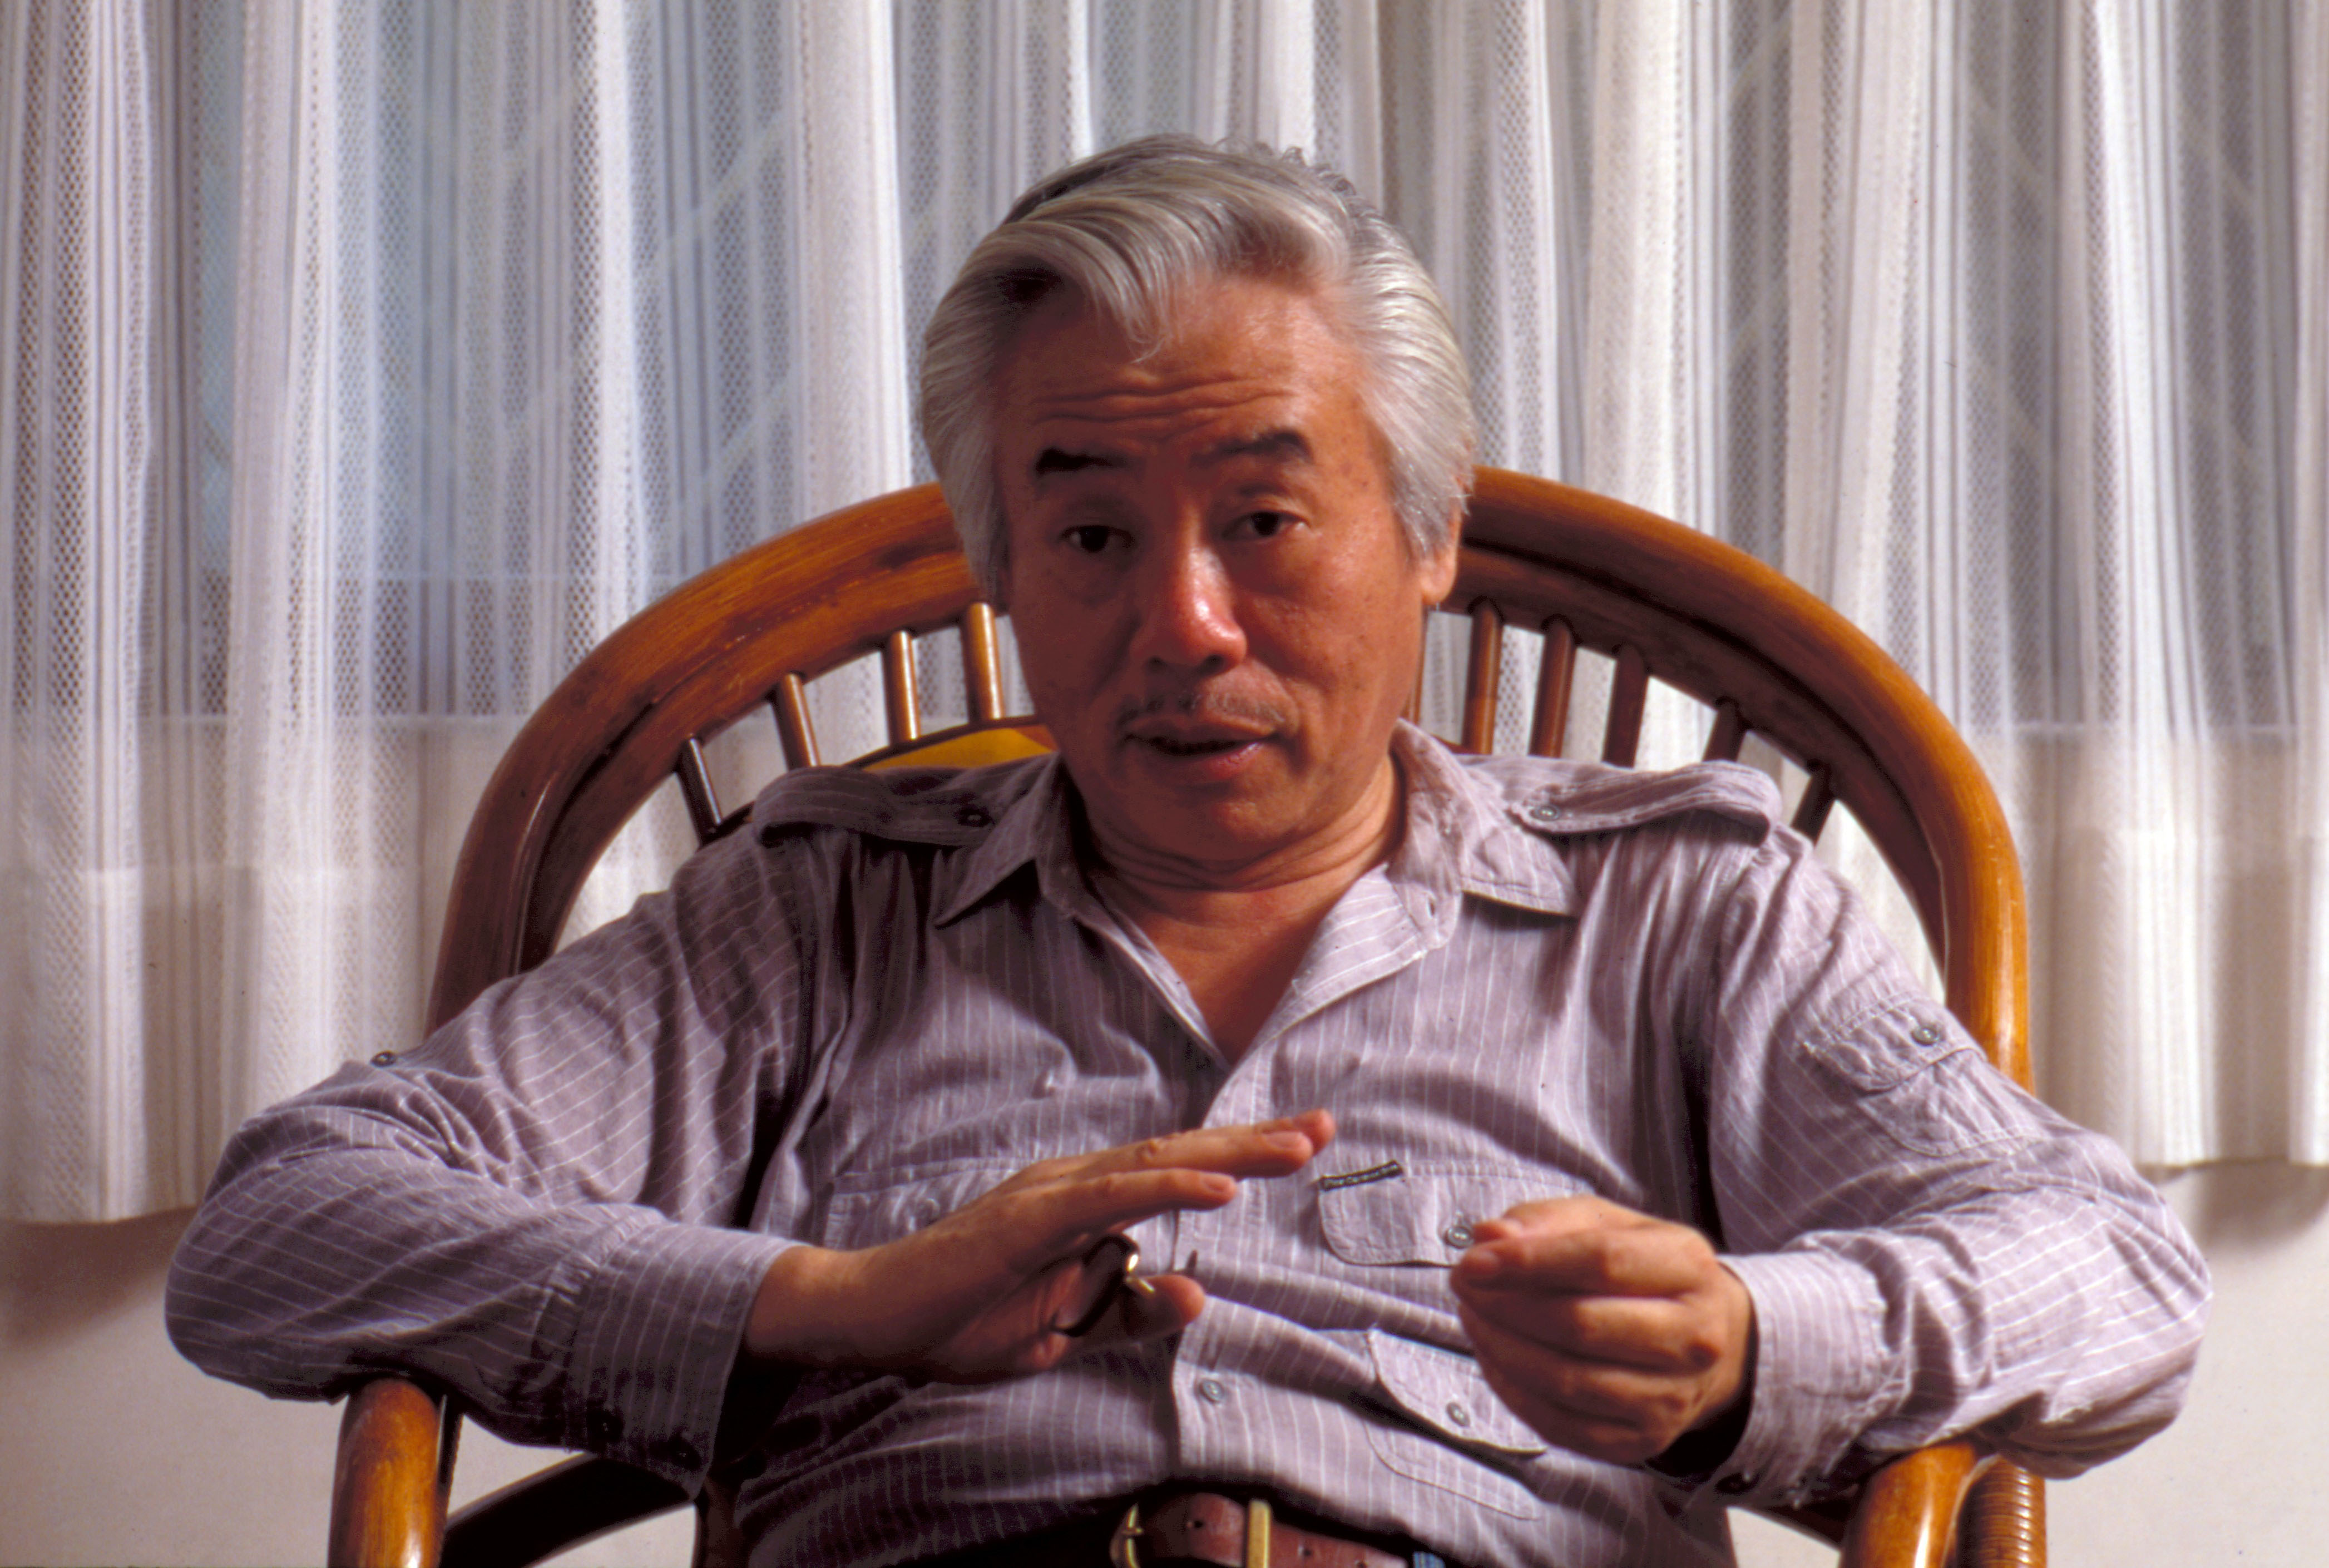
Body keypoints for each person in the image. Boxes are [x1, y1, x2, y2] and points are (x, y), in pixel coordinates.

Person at [169, 136, 2207, 1568]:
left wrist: (1755, 1340)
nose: (1184, 623)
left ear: (1427, 538)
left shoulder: (1683, 903)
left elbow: (2112, 1276)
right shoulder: (814, 913)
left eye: (1264, 518)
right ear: (1000, 573)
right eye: (1086, 533)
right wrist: (828, 1302)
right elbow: (280, 1231)